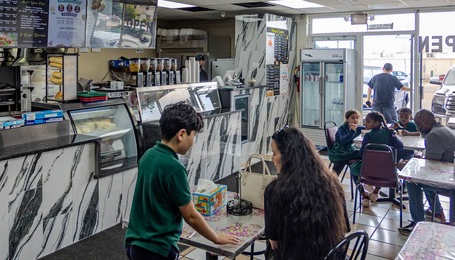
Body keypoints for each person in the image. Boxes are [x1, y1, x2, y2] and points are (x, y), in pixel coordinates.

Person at [125, 102, 239, 259]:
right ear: (181, 134)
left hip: (135, 243)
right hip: (157, 248)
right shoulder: (175, 168)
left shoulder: (148, 156)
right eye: (193, 136)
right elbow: (190, 216)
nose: (193, 142)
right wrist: (216, 237)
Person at [265, 127, 349, 260]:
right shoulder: (333, 182)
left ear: (287, 157)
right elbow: (344, 228)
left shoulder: (275, 190)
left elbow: (274, 243)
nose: (272, 159)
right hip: (333, 256)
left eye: (274, 153)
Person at [398, 109, 455, 236]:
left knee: (411, 181)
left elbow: (430, 165)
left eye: (418, 125)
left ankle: (418, 223)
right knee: (422, 178)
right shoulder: (442, 129)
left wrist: (408, 165)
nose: (417, 128)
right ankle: (437, 212)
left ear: (426, 123)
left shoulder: (433, 135)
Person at [351, 111, 409, 207]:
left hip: (368, 171)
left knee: (353, 168)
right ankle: (376, 191)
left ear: (377, 123)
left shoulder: (368, 136)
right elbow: (400, 146)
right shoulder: (389, 134)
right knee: (383, 164)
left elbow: (362, 154)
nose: (365, 123)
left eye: (368, 121)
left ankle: (364, 196)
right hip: (387, 172)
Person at [328, 110, 366, 175]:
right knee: (361, 154)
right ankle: (357, 175)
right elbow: (343, 141)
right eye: (352, 118)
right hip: (339, 151)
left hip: (348, 149)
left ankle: (359, 176)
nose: (355, 120)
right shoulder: (342, 128)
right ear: (347, 119)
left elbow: (368, 128)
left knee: (362, 154)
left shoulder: (357, 127)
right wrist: (352, 131)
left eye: (357, 118)